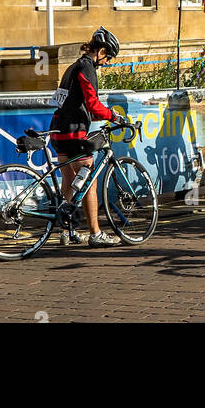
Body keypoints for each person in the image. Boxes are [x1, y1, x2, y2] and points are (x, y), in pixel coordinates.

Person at [49, 27, 127, 247]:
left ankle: (67, 231)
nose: (108, 62)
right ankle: (95, 233)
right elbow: (93, 105)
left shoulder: (72, 67)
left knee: (69, 182)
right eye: (108, 57)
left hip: (58, 130)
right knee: (89, 184)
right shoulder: (87, 67)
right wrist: (114, 116)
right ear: (101, 50)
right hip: (74, 133)